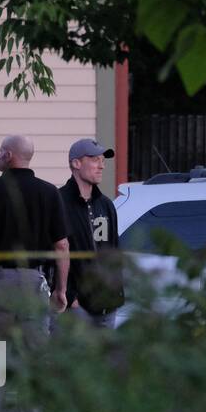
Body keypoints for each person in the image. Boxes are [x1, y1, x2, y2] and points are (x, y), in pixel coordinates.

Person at [0, 135, 69, 412]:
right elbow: (62, 246)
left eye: (0, 152)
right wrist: (60, 289)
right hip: (33, 281)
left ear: (9, 155)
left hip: (0, 280)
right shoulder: (49, 193)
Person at [59, 138, 123, 328]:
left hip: (107, 305)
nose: (101, 166)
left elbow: (114, 252)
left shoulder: (106, 204)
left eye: (103, 161)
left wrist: (116, 293)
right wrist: (70, 297)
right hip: (76, 308)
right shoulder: (58, 202)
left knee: (106, 358)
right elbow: (50, 253)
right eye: (95, 160)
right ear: (76, 163)